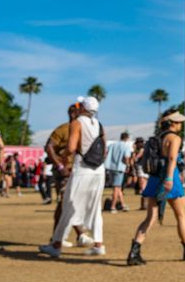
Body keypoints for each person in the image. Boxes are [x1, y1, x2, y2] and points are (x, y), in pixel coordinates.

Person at [127, 112, 185, 265]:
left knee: (150, 217)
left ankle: (134, 251)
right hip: (170, 178)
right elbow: (172, 158)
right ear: (172, 123)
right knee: (181, 215)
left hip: (154, 178)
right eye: (178, 122)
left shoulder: (158, 138)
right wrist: (169, 178)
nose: (180, 125)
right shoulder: (174, 138)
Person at [39, 97, 106, 258]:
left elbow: (71, 147)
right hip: (98, 170)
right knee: (95, 207)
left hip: (82, 169)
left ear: (83, 107)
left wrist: (62, 160)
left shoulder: (77, 123)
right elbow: (104, 149)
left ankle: (56, 245)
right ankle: (98, 244)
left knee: (68, 205)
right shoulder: (99, 124)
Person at [44, 102, 92, 248]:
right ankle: (81, 234)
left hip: (80, 171)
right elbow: (49, 147)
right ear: (73, 114)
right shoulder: (63, 129)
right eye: (82, 113)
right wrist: (59, 165)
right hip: (65, 172)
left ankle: (57, 236)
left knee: (66, 204)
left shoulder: (84, 130)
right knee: (68, 202)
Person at [105, 132, 132, 213]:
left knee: (118, 187)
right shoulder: (126, 146)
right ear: (127, 138)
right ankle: (113, 207)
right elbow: (126, 158)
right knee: (116, 187)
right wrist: (128, 166)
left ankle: (123, 205)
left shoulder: (112, 145)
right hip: (119, 168)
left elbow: (106, 154)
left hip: (110, 167)